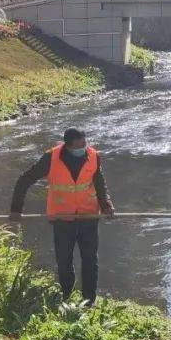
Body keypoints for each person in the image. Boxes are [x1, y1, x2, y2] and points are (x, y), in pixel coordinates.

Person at [10, 128, 114, 303]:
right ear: (68, 145)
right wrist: (16, 209)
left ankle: (89, 300)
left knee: (90, 260)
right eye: (79, 145)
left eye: (85, 143)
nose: (84, 148)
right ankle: (66, 296)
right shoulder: (51, 158)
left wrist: (106, 205)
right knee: (64, 260)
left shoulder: (93, 156)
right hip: (62, 218)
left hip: (88, 216)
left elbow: (99, 182)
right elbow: (24, 181)